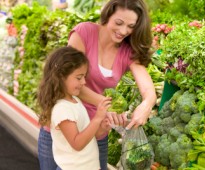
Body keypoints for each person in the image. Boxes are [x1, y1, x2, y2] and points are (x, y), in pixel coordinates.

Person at [38, 0, 157, 169]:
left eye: (131, 26)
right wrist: (107, 106)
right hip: (62, 127)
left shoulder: (128, 51)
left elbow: (147, 89)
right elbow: (68, 81)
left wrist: (146, 105)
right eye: (119, 23)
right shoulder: (84, 32)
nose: (124, 31)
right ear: (108, 15)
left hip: (97, 128)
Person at [37, 46, 112, 170]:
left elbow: (87, 135)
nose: (83, 82)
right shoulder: (62, 109)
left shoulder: (75, 100)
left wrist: (102, 128)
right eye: (79, 77)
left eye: (84, 77)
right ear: (60, 77)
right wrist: (97, 118)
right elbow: (77, 143)